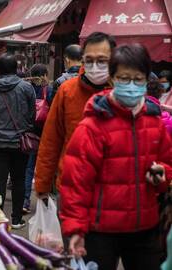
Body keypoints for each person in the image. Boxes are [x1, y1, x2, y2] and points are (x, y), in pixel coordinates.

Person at [61, 43, 172, 270]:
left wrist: (162, 174)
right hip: (100, 231)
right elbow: (76, 183)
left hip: (145, 228)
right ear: (112, 79)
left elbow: (167, 164)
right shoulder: (93, 125)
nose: (131, 85)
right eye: (124, 78)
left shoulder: (154, 121)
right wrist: (75, 230)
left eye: (138, 79)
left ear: (145, 81)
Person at [34, 32, 116, 198]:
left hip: (113, 191)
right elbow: (51, 140)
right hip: (70, 186)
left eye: (101, 60)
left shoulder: (124, 94)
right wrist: (43, 183)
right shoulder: (67, 91)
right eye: (89, 60)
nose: (95, 66)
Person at [0, 54, 36, 229]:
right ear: (17, 69)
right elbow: (32, 115)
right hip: (20, 141)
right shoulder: (27, 88)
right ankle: (16, 219)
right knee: (19, 180)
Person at [22, 64, 51, 213]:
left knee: (28, 168)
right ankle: (45, 204)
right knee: (45, 169)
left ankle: (25, 202)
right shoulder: (49, 90)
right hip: (46, 134)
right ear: (45, 75)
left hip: (30, 134)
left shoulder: (27, 89)